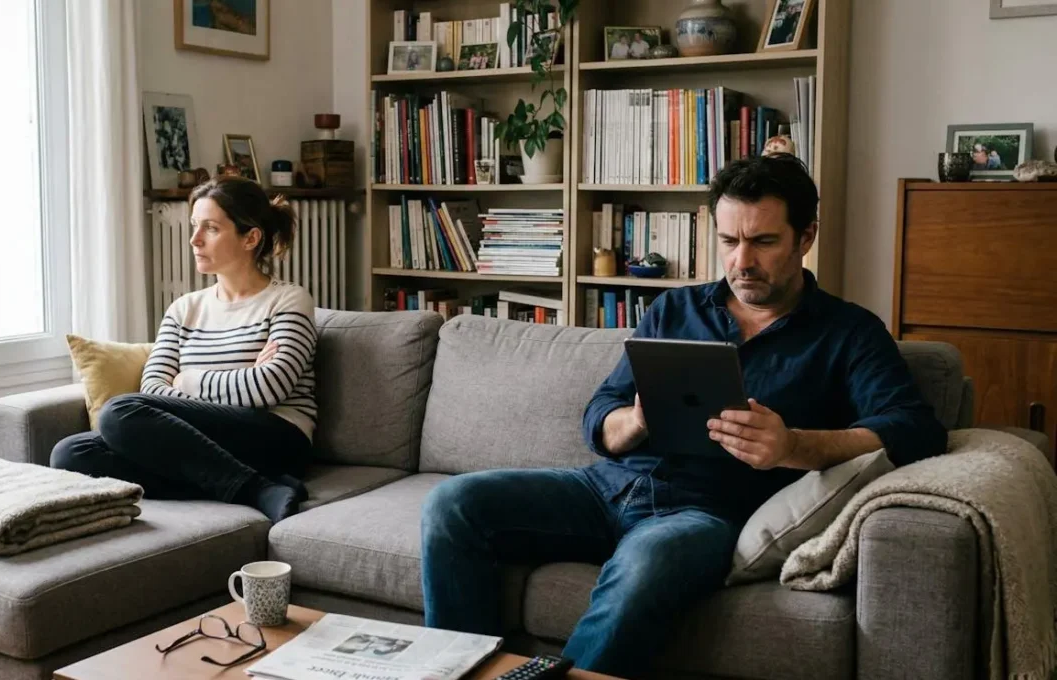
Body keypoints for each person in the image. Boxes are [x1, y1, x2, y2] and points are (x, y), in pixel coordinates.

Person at [419, 154, 948, 678]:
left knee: (648, 562)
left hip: (703, 514)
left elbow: (915, 430)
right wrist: (635, 421)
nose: (742, 260)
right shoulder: (676, 309)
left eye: (763, 241)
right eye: (728, 240)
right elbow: (599, 413)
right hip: (603, 488)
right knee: (454, 503)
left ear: (805, 237)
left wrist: (794, 446)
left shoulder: (849, 333)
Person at [51, 176, 318, 523]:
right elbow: (153, 388)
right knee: (70, 453)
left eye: (211, 228)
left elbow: (270, 386)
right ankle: (256, 486)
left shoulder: (288, 300)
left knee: (119, 411)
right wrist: (241, 379)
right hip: (202, 440)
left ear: (250, 238)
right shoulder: (184, 309)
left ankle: (255, 488)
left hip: (277, 437)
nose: (195, 239)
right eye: (194, 225)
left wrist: (188, 381)